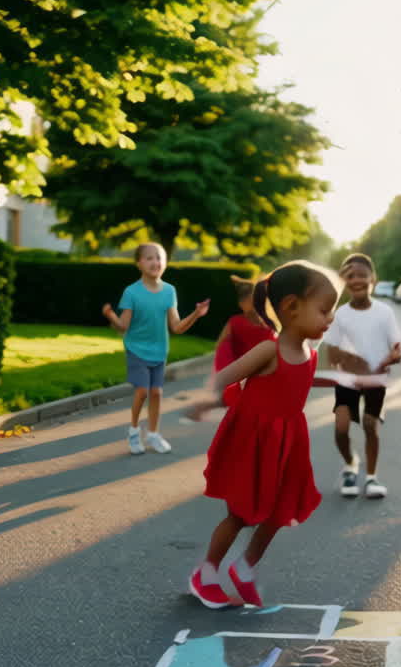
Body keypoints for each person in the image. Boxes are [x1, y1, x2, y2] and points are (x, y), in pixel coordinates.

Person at [189, 260, 341, 610]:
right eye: (324, 310)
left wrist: (347, 381)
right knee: (240, 514)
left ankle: (244, 568)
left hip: (288, 441)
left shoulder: (310, 353)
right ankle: (206, 574)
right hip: (253, 440)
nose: (330, 318)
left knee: (280, 510)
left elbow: (301, 379)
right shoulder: (268, 350)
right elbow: (225, 376)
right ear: (291, 307)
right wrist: (206, 401)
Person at [102, 242, 209, 456]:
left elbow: (176, 326)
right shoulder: (131, 292)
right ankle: (133, 431)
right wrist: (111, 316)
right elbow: (124, 326)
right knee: (142, 391)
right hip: (136, 349)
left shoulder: (169, 291)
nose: (155, 262)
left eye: (159, 258)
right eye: (149, 258)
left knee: (157, 393)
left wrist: (196, 314)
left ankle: (153, 434)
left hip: (159, 351)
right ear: (139, 263)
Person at [323, 252, 401, 499]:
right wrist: (342, 361)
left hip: (376, 379)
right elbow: (331, 350)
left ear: (373, 279)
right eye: (350, 276)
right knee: (341, 427)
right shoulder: (340, 314)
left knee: (370, 425)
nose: (357, 280)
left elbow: (398, 346)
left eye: (362, 275)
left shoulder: (384, 312)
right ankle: (350, 464)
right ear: (343, 281)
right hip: (347, 379)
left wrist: (395, 355)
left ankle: (371, 477)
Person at [214, 276, 275, 408]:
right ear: (241, 303)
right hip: (241, 371)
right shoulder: (235, 322)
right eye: (244, 301)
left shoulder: (268, 324)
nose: (249, 304)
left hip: (261, 372)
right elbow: (221, 345)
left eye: (252, 300)